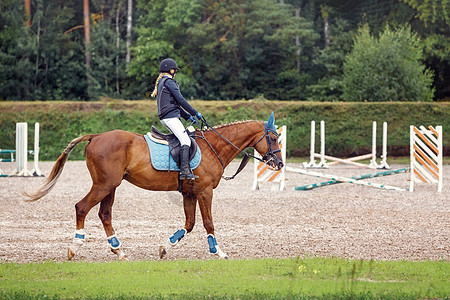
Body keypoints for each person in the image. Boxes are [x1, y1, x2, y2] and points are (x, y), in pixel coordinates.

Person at [151, 58, 201, 180]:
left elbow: (175, 105)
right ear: (171, 70)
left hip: (166, 117)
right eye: (175, 70)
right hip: (170, 118)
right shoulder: (170, 82)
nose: (175, 72)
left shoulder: (163, 82)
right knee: (185, 140)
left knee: (182, 138)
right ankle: (184, 170)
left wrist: (187, 116)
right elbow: (181, 100)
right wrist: (195, 112)